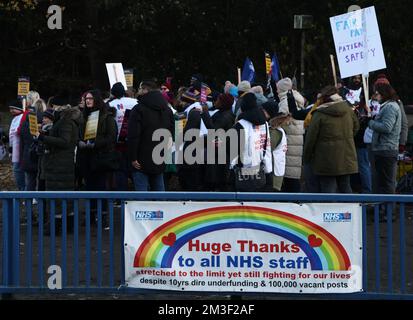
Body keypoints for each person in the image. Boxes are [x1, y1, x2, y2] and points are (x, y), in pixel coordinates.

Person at [303, 85, 359, 193]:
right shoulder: (348, 110)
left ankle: (329, 210)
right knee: (345, 187)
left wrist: (307, 157)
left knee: (328, 189)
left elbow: (311, 138)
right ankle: (349, 209)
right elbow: (356, 127)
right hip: (346, 155)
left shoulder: (319, 114)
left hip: (325, 158)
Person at [128, 80, 174, 191]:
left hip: (141, 158)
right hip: (159, 156)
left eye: (140, 89)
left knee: (142, 196)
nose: (138, 91)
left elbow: (134, 135)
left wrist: (133, 157)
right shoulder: (167, 110)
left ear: (145, 90)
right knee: (159, 193)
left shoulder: (138, 109)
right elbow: (171, 133)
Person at [229, 93, 272, 191]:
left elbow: (233, 153)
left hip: (242, 174)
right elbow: (266, 148)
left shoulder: (240, 125)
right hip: (260, 173)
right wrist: (269, 173)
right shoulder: (265, 124)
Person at [368, 83, 402, 194]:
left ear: (384, 94)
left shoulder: (390, 107)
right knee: (382, 182)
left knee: (387, 182)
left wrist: (370, 123)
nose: (375, 96)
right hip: (383, 148)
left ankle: (388, 209)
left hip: (386, 148)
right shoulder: (387, 106)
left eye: (377, 93)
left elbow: (387, 127)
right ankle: (383, 207)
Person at [277, 78, 306, 192]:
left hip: (290, 142)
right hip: (298, 140)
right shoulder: (297, 100)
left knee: (290, 175)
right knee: (295, 172)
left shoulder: (285, 102)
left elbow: (282, 124)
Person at [108, 82, 138, 191]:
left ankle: (121, 196)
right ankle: (141, 195)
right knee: (135, 168)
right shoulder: (134, 102)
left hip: (117, 142)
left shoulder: (109, 104)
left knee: (120, 170)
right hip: (133, 139)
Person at [20, 97, 47, 191]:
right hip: (41, 154)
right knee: (41, 180)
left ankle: (29, 200)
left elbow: (22, 137)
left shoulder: (25, 121)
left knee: (30, 180)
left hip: (28, 154)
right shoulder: (46, 122)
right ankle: (39, 200)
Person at [8, 100, 25, 191]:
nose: (11, 110)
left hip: (20, 148)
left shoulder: (22, 117)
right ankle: (21, 189)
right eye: (10, 109)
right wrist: (10, 148)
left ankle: (23, 190)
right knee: (17, 170)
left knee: (18, 170)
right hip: (15, 148)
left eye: (13, 109)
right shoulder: (15, 118)